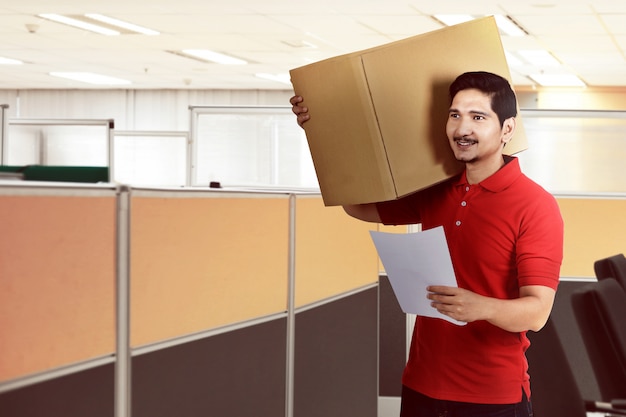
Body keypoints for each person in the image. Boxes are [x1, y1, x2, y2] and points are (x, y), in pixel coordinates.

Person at [290, 71, 564, 417]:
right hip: (421, 385)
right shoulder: (438, 190)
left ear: (507, 129)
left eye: (478, 117)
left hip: (492, 396)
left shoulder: (535, 205)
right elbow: (355, 204)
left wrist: (481, 307)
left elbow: (537, 312)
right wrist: (317, 133)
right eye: (455, 115)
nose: (462, 129)